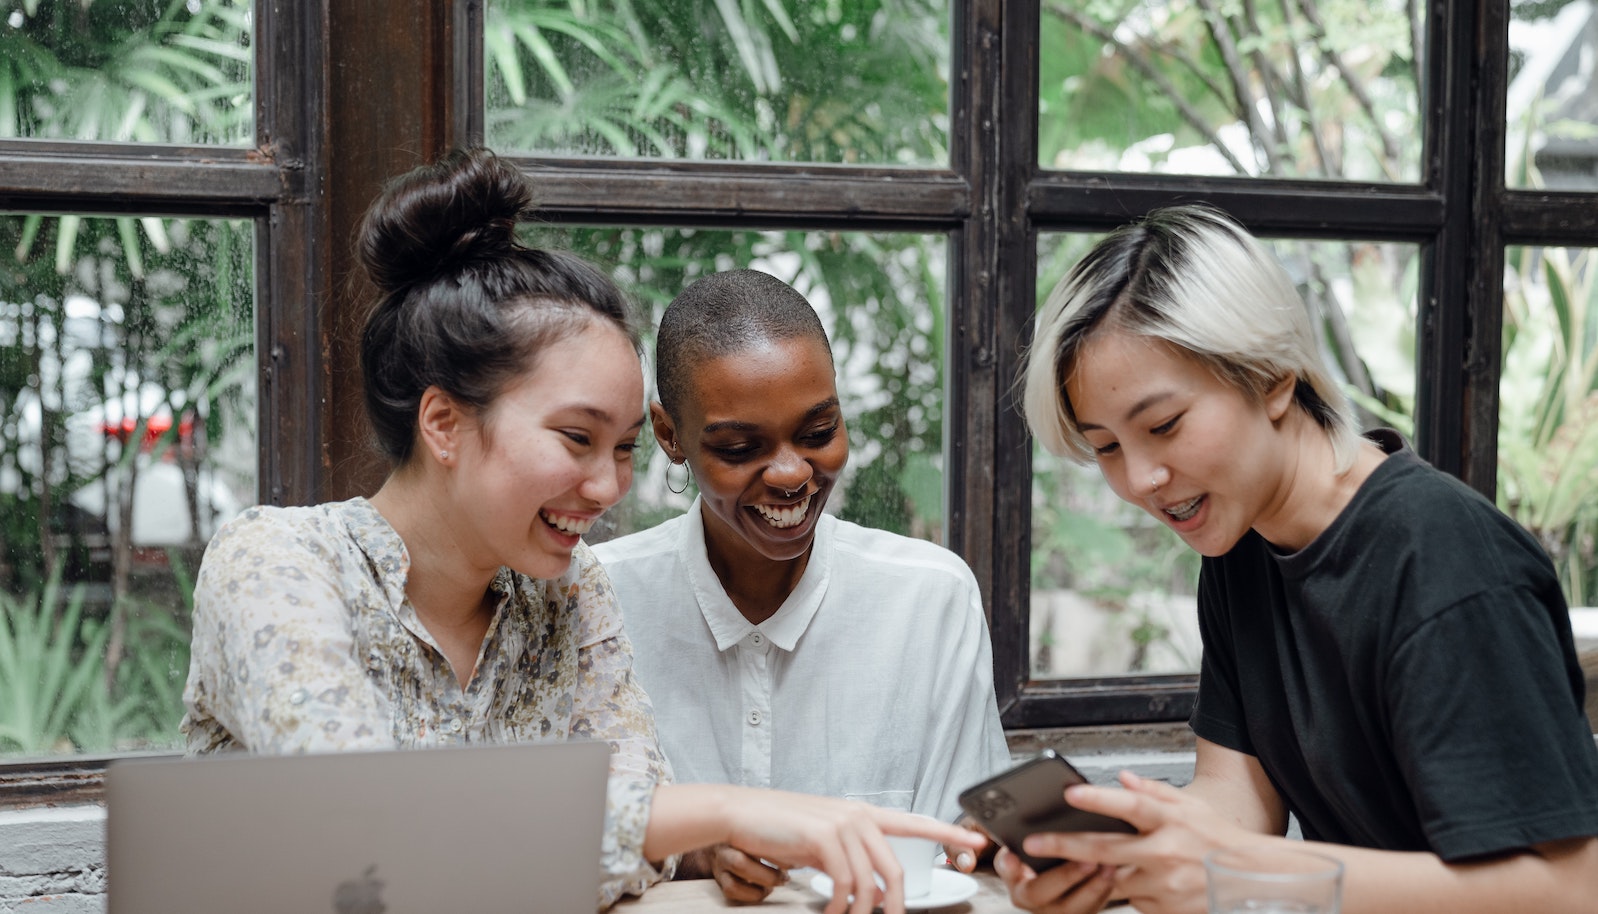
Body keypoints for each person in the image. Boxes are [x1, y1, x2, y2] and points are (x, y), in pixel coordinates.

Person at [180, 148, 981, 914]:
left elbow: (644, 850)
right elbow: (364, 837)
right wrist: (725, 813)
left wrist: (662, 831)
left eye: (626, 447)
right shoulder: (276, 565)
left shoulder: (567, 589)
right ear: (444, 423)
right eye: (576, 439)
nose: (608, 488)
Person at [1004, 204, 1598, 914]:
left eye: (1164, 426)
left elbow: (1572, 888)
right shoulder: (1239, 538)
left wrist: (1239, 868)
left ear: (1274, 376)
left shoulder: (1447, 565)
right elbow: (1239, 800)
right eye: (1106, 446)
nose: (1140, 480)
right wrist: (1117, 858)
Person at [593, 269, 1012, 903]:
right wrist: (698, 849)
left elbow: (966, 846)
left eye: (818, 434)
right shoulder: (599, 603)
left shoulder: (930, 599)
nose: (792, 473)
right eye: (739, 447)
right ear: (669, 434)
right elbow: (549, 840)